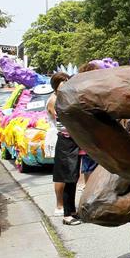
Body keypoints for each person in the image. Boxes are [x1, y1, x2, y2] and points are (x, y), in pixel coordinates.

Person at [47, 72, 82, 225]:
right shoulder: (54, 100)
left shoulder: (66, 97)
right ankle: (67, 215)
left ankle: (72, 210)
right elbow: (62, 119)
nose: (65, 86)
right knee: (67, 177)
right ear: (55, 87)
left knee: (73, 177)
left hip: (74, 140)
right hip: (65, 141)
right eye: (62, 84)